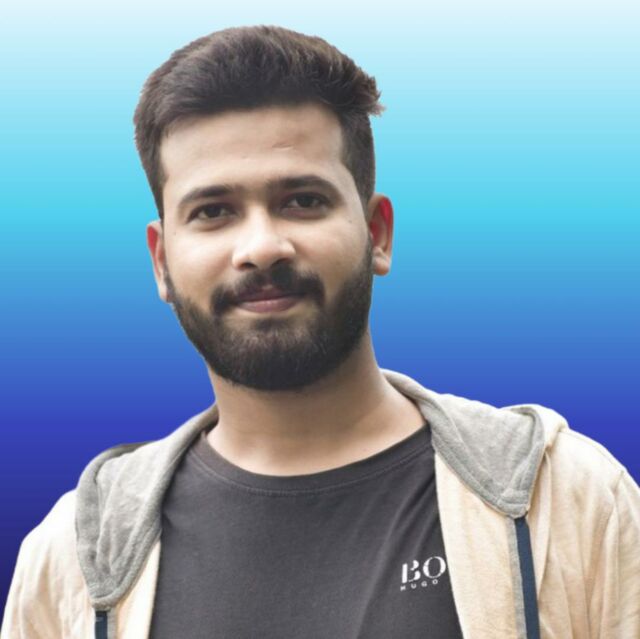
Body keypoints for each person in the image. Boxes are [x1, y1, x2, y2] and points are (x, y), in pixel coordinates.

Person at [2, 25, 639, 639]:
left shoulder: (571, 501)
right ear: (161, 261)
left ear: (377, 234)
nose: (261, 247)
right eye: (213, 211)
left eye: (302, 200)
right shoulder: (71, 560)